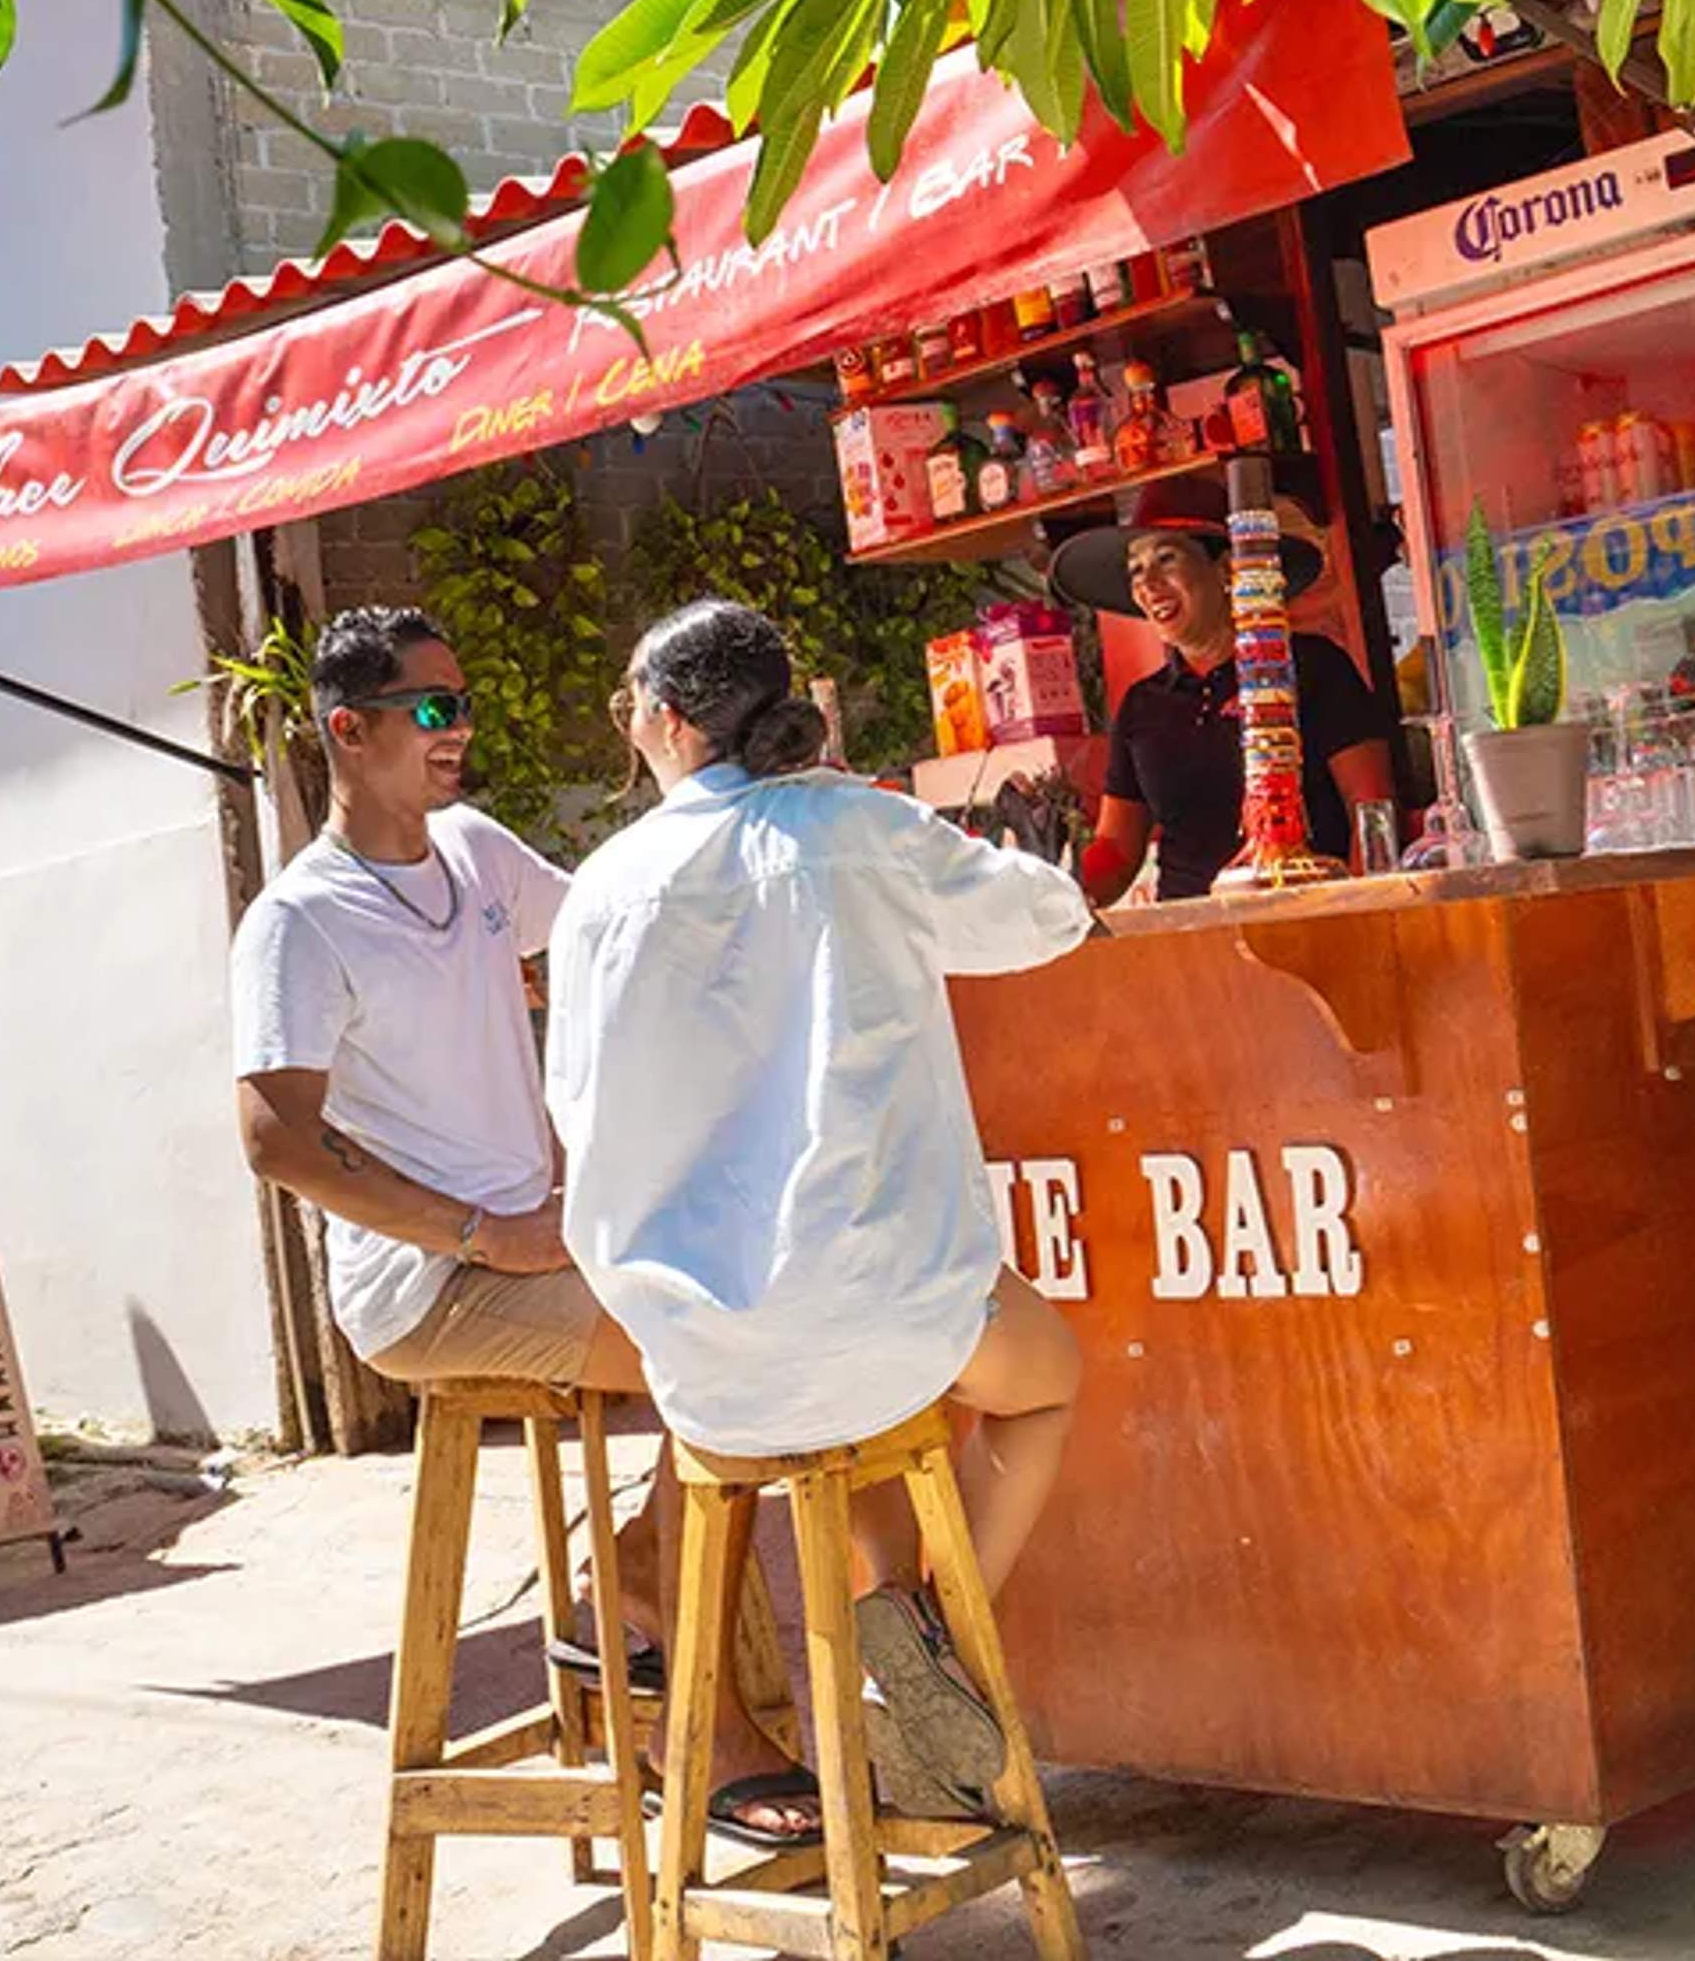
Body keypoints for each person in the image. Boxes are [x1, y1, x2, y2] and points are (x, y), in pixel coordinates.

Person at [227, 605, 806, 1842]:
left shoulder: (479, 854)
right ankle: (701, 1722)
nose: (461, 730)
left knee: (763, 1313)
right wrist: (484, 1234)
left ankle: (638, 1576)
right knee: (727, 1357)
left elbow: (615, 933)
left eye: (463, 705)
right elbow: (277, 1137)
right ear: (350, 728)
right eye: (434, 710)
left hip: (552, 1242)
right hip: (426, 1287)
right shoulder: (300, 920)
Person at [548, 600, 1092, 1820]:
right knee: (1036, 1375)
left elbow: (576, 1109)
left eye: (630, 701)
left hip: (702, 1361)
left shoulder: (602, 888)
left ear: (672, 721)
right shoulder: (853, 826)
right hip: (894, 1323)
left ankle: (912, 1637)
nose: (627, 722)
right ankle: (935, 1641)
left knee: (836, 1407)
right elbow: (1043, 918)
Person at [1048, 478, 1397, 902]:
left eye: (1167, 559)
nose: (1148, 584)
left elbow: (1372, 808)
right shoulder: (1143, 705)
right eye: (1136, 570)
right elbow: (1118, 850)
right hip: (1190, 932)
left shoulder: (1313, 666)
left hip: (1305, 917)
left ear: (1225, 567)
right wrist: (1053, 893)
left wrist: (1359, 911)